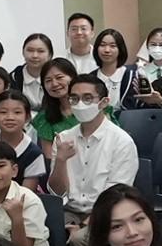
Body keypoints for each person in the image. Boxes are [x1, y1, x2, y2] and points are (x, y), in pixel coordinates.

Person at [47, 73, 139, 225]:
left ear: (104, 102)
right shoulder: (63, 139)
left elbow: (116, 196)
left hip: (107, 213)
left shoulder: (122, 141)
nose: (80, 104)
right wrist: (61, 161)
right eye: (74, 99)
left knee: (79, 239)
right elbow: (56, 193)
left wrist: (84, 226)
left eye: (88, 98)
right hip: (68, 212)